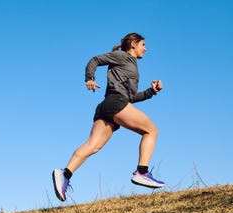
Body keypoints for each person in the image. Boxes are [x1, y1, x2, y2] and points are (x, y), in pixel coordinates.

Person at [52, 33, 165, 202]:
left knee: (93, 146)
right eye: (142, 44)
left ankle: (64, 173)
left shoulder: (129, 65)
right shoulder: (122, 56)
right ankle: (142, 172)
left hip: (109, 106)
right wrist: (89, 79)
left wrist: (151, 92)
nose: (145, 48)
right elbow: (95, 60)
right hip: (115, 102)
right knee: (151, 131)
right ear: (133, 44)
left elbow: (131, 97)